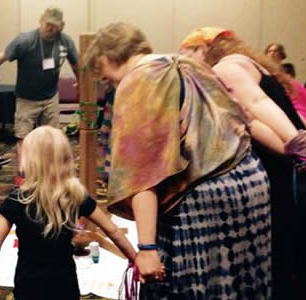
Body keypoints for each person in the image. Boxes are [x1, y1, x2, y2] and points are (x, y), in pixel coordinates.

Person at [84, 22, 273, 299]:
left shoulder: (140, 79)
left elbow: (141, 173)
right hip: (250, 181)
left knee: (195, 288)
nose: (111, 85)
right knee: (239, 285)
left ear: (107, 56)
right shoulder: (186, 63)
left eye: (107, 78)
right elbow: (244, 119)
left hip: (203, 200)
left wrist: (147, 248)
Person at [180, 28, 306, 299]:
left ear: (204, 50)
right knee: (304, 259)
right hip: (299, 174)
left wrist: (296, 148)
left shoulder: (225, 69)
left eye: (190, 55)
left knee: (286, 259)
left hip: (288, 178)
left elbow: (253, 112)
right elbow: (289, 112)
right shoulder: (250, 64)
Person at [0, 126, 145, 299]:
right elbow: (113, 231)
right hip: (65, 284)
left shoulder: (16, 200)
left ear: (30, 161)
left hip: (29, 286)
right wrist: (136, 259)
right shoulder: (75, 196)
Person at [0, 6, 80, 184]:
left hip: (50, 97)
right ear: (41, 21)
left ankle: (51, 174)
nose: (51, 29)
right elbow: (1, 57)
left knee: (52, 138)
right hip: (26, 98)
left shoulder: (65, 41)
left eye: (55, 26)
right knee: (23, 138)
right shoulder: (25, 40)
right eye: (48, 24)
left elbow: (76, 64)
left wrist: (82, 84)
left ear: (62, 26)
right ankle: (23, 175)